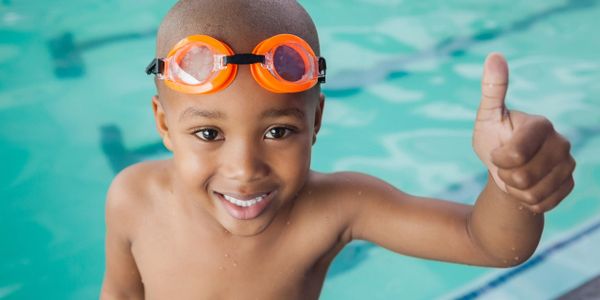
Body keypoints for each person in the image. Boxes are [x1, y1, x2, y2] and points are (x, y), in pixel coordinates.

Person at [100, 0, 576, 299]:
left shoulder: (336, 208)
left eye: (278, 132)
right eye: (209, 134)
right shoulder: (133, 197)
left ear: (317, 121)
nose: (244, 170)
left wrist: (510, 184)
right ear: (163, 122)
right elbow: (121, 292)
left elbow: (490, 244)